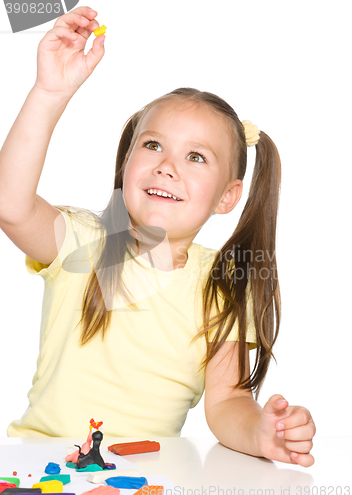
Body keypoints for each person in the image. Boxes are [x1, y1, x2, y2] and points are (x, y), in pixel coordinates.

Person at [0, 6, 315, 468]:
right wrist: (50, 91)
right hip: (38, 468)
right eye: (152, 146)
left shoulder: (223, 285)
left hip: (141, 477)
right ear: (127, 162)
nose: (167, 165)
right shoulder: (84, 244)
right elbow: (10, 204)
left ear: (227, 197)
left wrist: (262, 432)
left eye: (196, 157)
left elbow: (226, 403)